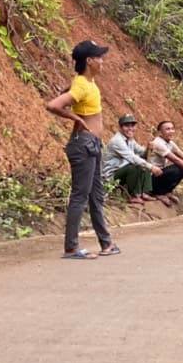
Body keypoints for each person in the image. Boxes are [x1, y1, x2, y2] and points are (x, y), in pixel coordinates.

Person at [45, 40, 121, 259]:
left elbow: (71, 94)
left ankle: (106, 243)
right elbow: (53, 105)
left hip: (92, 144)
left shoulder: (87, 83)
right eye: (99, 57)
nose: (102, 61)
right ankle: (71, 247)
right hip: (84, 144)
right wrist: (75, 116)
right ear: (89, 61)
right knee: (80, 195)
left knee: (96, 195)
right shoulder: (81, 83)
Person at [103, 114, 163, 205]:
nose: (130, 128)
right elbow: (132, 158)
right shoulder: (117, 141)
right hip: (112, 175)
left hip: (122, 170)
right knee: (136, 165)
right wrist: (152, 167)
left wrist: (148, 148)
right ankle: (134, 195)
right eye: (127, 126)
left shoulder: (130, 139)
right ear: (120, 127)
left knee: (143, 161)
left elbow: (141, 152)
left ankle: (144, 192)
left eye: (132, 126)